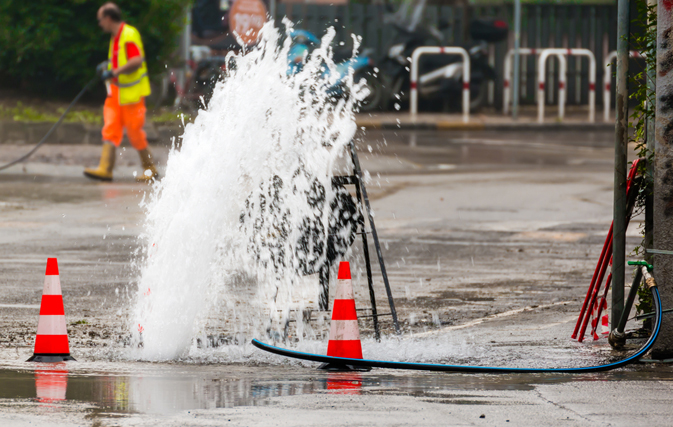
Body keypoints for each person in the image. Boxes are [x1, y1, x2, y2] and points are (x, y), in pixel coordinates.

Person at [84, 2, 158, 182]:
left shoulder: (128, 34)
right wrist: (108, 67)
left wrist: (114, 72)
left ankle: (150, 170)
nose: (100, 23)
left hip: (132, 95)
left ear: (109, 18)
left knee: (134, 132)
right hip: (116, 93)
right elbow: (119, 61)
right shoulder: (116, 37)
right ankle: (105, 169)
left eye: (100, 19)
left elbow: (136, 61)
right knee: (110, 128)